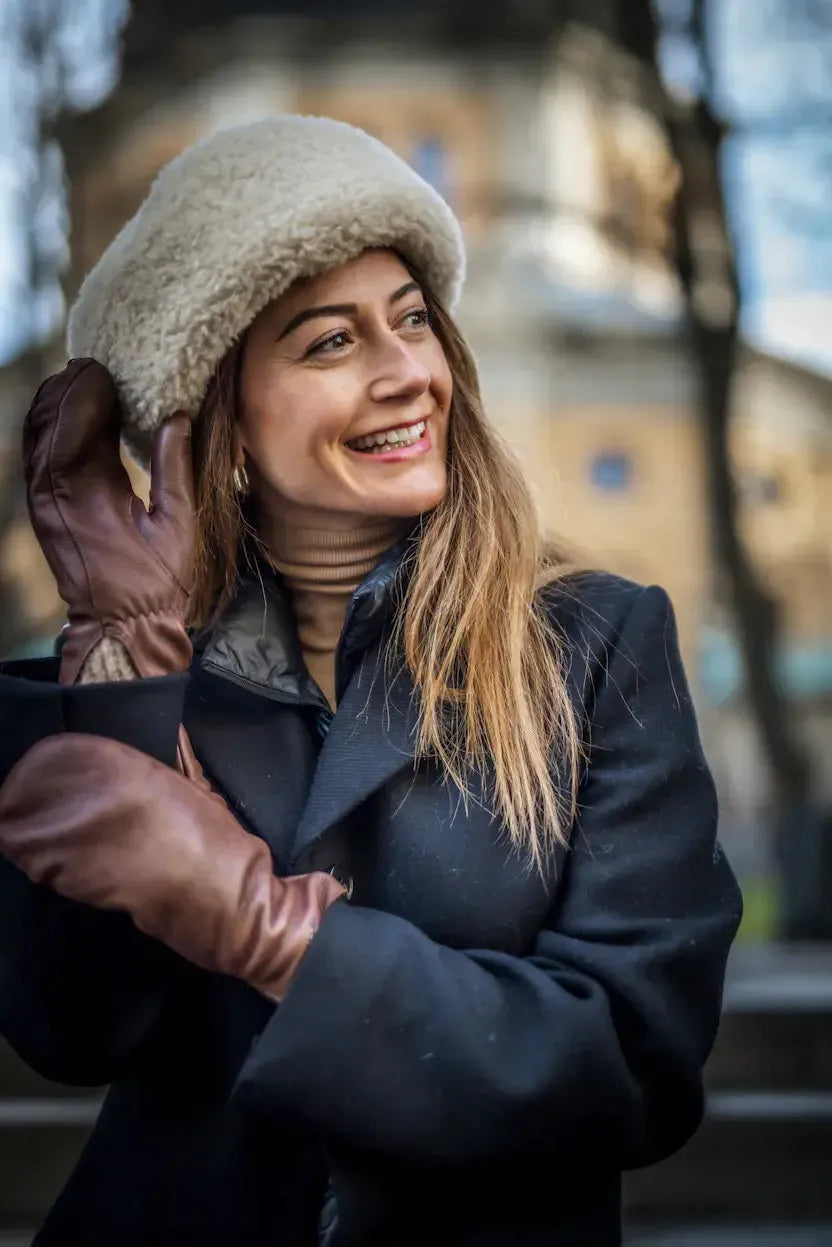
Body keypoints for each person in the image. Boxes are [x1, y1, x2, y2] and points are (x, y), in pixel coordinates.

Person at [0, 115, 742, 1247]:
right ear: (220, 418)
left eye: (411, 322)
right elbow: (72, 1026)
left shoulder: (596, 644)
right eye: (329, 343)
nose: (408, 374)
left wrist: (271, 935)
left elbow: (630, 1061)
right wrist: (120, 668)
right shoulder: (134, 678)